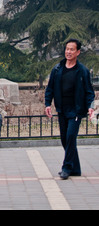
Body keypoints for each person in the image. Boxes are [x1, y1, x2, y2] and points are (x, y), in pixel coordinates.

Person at [45, 39, 95, 179]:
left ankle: (66, 168)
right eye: (67, 49)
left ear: (78, 52)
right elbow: (50, 88)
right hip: (62, 109)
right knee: (64, 139)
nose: (69, 52)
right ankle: (76, 168)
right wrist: (47, 104)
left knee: (70, 137)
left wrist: (90, 107)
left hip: (76, 110)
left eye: (72, 49)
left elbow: (89, 92)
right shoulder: (57, 69)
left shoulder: (82, 71)